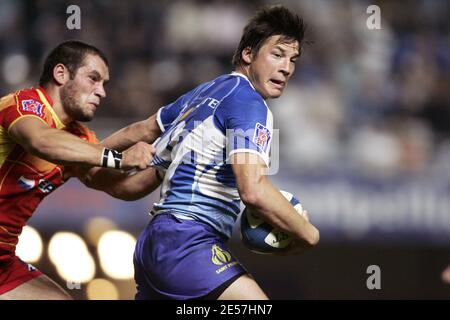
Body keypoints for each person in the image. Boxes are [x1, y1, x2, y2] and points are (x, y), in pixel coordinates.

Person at [130, 5, 320, 300]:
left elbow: (141, 130)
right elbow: (253, 190)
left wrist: (91, 154)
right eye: (277, 54)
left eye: (293, 60)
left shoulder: (206, 92)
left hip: (155, 240)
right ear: (248, 53)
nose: (287, 68)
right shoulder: (249, 102)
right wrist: (307, 233)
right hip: (188, 243)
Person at [0, 40, 159, 299]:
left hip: (3, 262)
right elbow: (41, 141)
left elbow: (121, 187)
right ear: (61, 74)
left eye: (104, 84)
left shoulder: (79, 139)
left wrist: (164, 166)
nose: (102, 92)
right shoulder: (24, 103)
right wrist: (119, 158)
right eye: (93, 79)